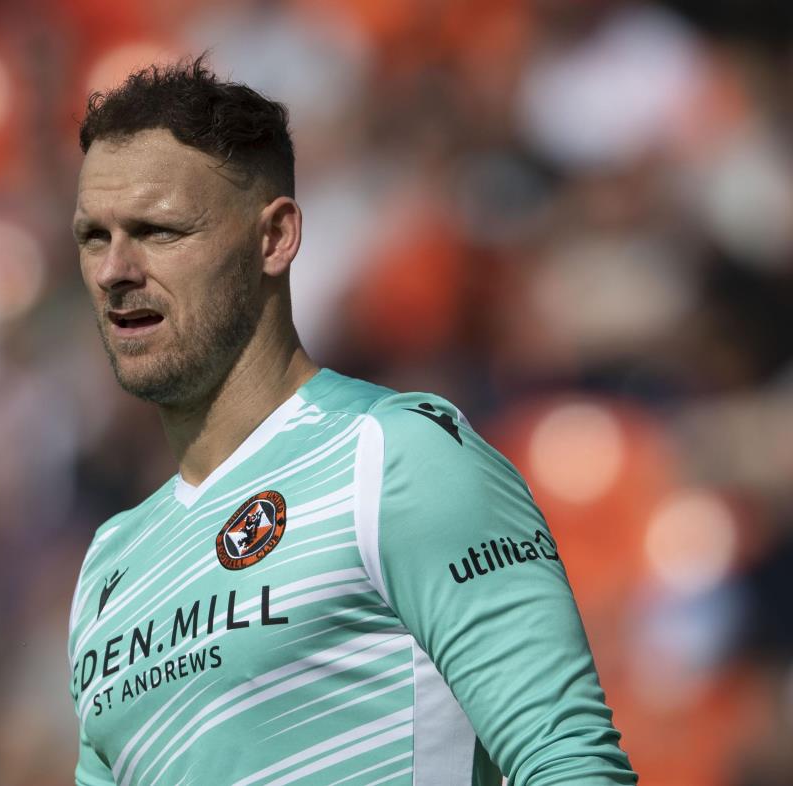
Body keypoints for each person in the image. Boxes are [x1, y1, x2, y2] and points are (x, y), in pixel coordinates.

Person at [66, 57, 637, 785]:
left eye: (159, 230)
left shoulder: (396, 455)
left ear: (274, 238)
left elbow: (571, 764)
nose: (116, 269)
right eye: (93, 237)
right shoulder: (110, 566)